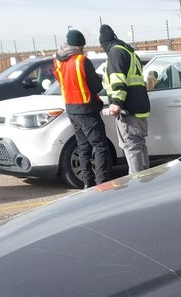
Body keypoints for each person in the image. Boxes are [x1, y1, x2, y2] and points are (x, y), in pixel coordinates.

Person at [53, 29, 111, 188]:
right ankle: (102, 183)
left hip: (71, 109)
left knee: (83, 146)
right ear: (80, 45)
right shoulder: (81, 60)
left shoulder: (58, 61)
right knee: (99, 146)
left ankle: (88, 183)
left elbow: (64, 83)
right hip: (87, 109)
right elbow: (96, 87)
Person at [99, 24, 151, 175]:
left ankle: (136, 183)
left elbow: (118, 80)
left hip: (128, 109)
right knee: (139, 145)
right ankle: (145, 179)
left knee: (131, 146)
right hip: (140, 106)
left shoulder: (115, 53)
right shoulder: (129, 51)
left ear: (104, 43)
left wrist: (116, 103)